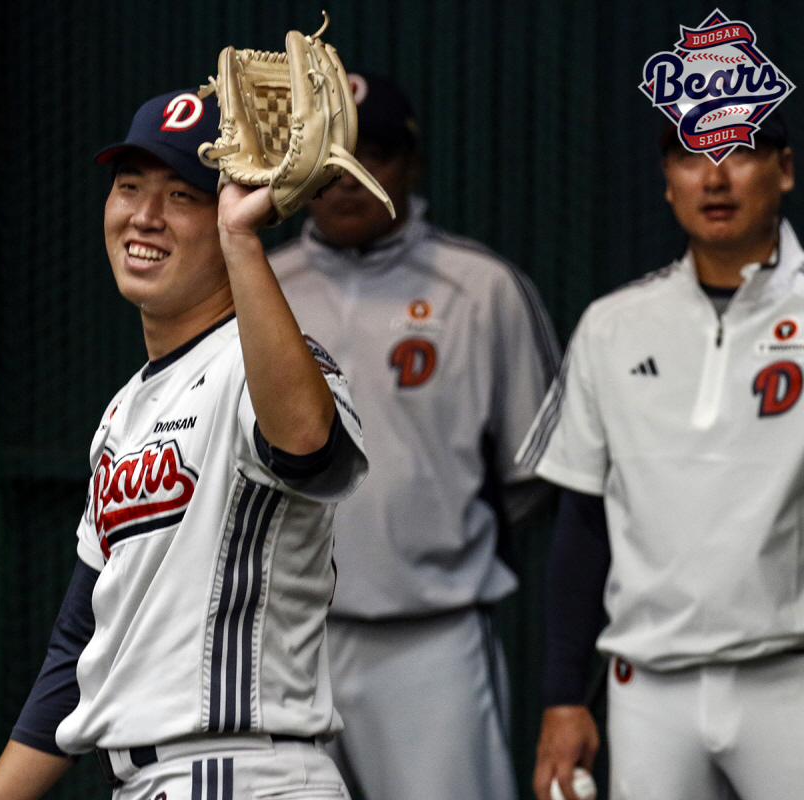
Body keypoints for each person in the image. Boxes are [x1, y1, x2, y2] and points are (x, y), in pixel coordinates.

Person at [0, 89, 368, 800]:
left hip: (240, 770)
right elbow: (78, 649)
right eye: (129, 187)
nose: (144, 216)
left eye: (184, 194)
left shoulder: (268, 365)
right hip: (155, 780)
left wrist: (242, 240)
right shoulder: (124, 412)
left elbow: (310, 446)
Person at [268, 74, 560, 800]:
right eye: (331, 158)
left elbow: (536, 473)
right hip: (282, 642)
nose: (349, 179)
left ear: (412, 165)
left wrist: (427, 536)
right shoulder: (259, 287)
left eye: (377, 154)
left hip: (431, 640)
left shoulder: (482, 285)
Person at [521, 115, 804, 800]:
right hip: (649, 685)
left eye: (740, 152)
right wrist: (564, 697)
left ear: (785, 170)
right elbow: (583, 522)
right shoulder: (612, 324)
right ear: (667, 181)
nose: (714, 176)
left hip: (789, 678)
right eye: (690, 157)